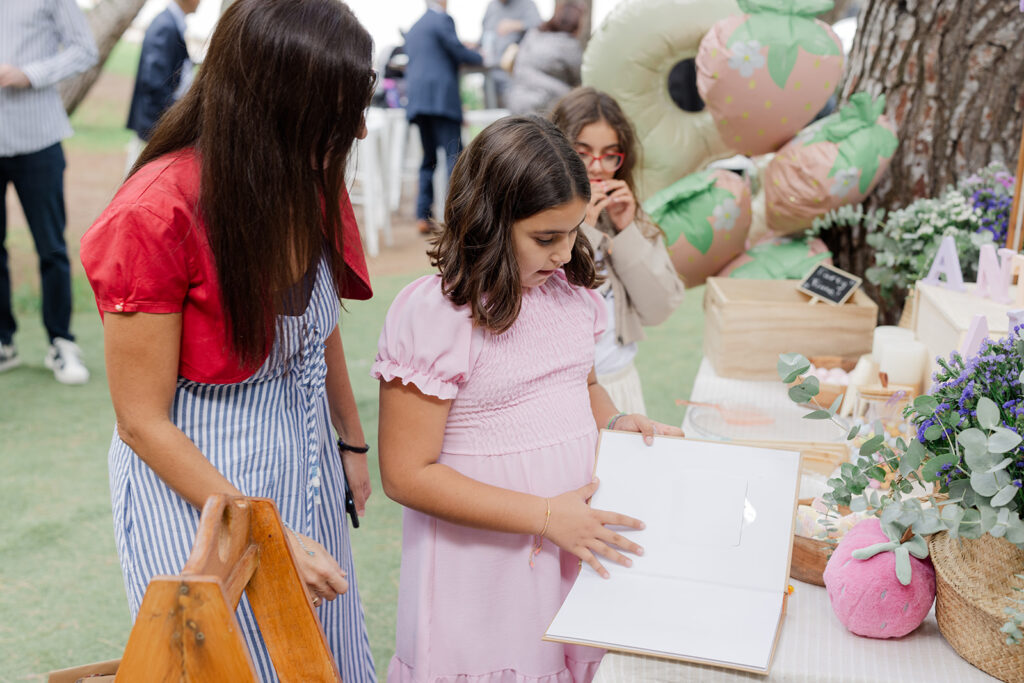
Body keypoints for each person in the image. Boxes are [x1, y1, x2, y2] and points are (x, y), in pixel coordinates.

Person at [79, 1, 377, 679]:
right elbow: (141, 421)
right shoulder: (155, 214)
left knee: (323, 654)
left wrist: (351, 441)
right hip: (198, 485)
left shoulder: (307, 174)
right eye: (337, 116)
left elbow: (317, 326)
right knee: (231, 661)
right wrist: (268, 534)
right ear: (274, 104)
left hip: (303, 458)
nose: (358, 130)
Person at [374, 115, 684, 682]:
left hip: (570, 543)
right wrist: (544, 517)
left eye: (573, 233)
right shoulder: (437, 316)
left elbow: (583, 385)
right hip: (485, 569)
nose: (564, 254)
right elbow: (405, 475)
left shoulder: (570, 299)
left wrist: (616, 421)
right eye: (545, 238)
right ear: (489, 222)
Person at [550, 87, 686, 414]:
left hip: (620, 381)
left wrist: (627, 232)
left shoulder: (626, 215)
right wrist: (582, 231)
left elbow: (659, 309)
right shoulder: (538, 220)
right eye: (582, 153)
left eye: (610, 155)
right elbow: (546, 306)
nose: (597, 168)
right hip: (560, 392)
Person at [0, 0, 97, 384]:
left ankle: (61, 341)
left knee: (51, 248)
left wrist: (30, 73)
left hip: (38, 138)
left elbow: (84, 50)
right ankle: (4, 342)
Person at [403, 0, 483, 234]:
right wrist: (481, 56)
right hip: (441, 99)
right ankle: (455, 216)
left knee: (428, 158)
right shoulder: (442, 19)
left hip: (418, 101)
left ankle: (423, 215)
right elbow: (457, 51)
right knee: (454, 156)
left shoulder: (415, 26)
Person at [124, 0, 200, 172]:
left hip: (158, 120)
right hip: (154, 122)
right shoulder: (165, 25)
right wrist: (171, 118)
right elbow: (154, 81)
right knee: (143, 176)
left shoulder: (171, 22)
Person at [506, 2, 584, 116]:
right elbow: (579, 78)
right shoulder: (569, 45)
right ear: (576, 24)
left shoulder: (533, 35)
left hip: (516, 100)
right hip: (547, 106)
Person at [480, 0, 541, 108]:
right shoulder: (491, 6)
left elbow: (539, 25)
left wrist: (517, 25)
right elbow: (486, 35)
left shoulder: (526, 4)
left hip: (514, 75)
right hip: (491, 73)